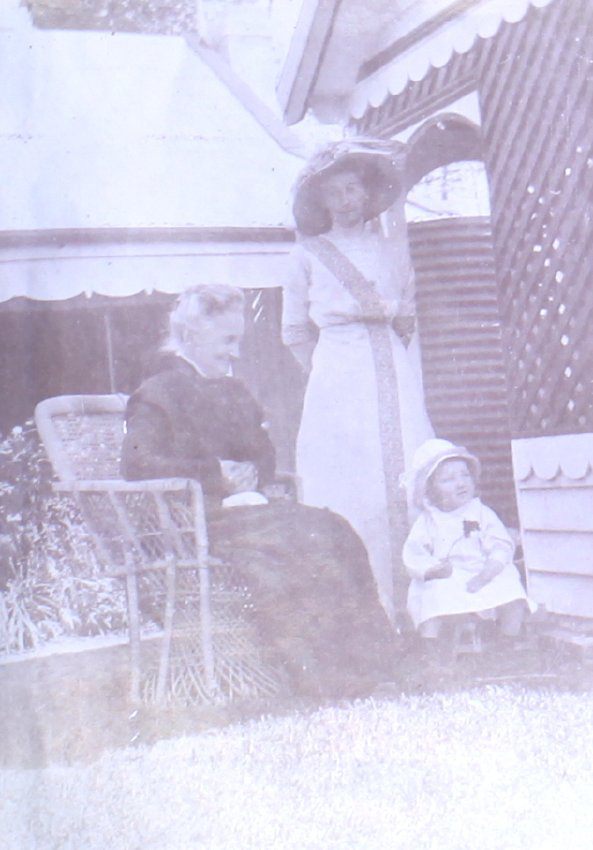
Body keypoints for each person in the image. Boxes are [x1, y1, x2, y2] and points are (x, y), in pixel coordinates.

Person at [121, 284, 395, 698]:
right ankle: (326, 677)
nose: (235, 353)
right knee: (290, 545)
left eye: (238, 341)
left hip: (248, 510)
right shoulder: (157, 393)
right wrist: (215, 473)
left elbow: (265, 455)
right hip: (194, 522)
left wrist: (252, 469)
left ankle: (375, 664)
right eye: (226, 341)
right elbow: (137, 465)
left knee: (332, 528)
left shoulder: (233, 391)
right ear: (191, 337)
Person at [282, 137, 434, 623]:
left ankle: (421, 605)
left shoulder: (391, 251)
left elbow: (407, 317)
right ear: (321, 202)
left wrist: (390, 353)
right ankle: (364, 614)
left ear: (367, 194)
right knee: (350, 476)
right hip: (337, 367)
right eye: (335, 193)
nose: (346, 201)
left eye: (353, 190)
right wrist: (329, 377)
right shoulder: (306, 255)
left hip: (390, 363)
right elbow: (292, 333)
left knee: (407, 463)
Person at [403, 438, 534, 652]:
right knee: (433, 595)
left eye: (465, 475)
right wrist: (432, 570)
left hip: (486, 571)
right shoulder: (428, 521)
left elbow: (500, 543)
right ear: (430, 490)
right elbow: (414, 554)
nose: (461, 483)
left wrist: (489, 571)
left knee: (511, 588)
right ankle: (431, 649)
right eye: (448, 479)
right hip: (449, 577)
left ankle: (507, 642)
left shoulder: (480, 512)